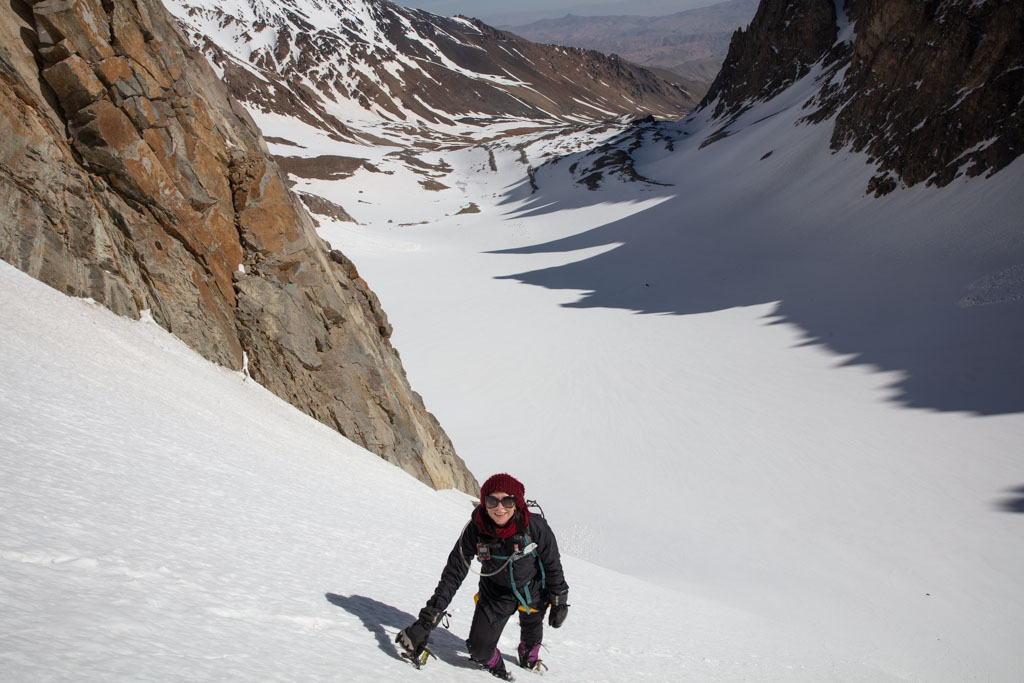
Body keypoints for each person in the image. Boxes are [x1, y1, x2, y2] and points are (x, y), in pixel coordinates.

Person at [396, 473, 569, 680]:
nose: (499, 507)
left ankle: (529, 658)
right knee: (479, 650)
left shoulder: (535, 527)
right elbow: (454, 571)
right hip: (495, 593)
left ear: (517, 503)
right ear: (484, 503)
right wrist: (427, 619)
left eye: (507, 501)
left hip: (532, 589)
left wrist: (559, 600)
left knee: (532, 631)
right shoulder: (476, 529)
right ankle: (498, 670)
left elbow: (552, 563)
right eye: (492, 501)